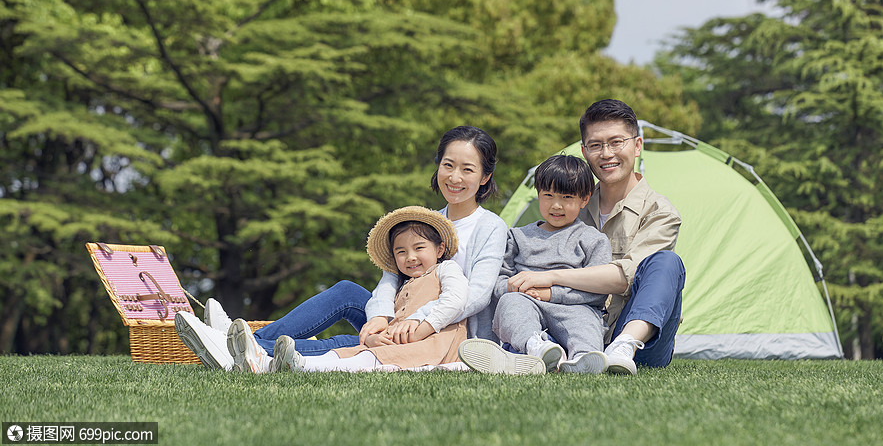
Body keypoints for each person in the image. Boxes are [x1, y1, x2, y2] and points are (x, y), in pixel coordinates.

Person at [174, 126, 507, 371]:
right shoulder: (425, 222)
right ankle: (243, 338)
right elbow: (390, 281)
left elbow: (476, 296)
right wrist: (378, 318)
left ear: (484, 177)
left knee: (351, 346)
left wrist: (418, 322)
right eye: (448, 165)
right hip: (399, 315)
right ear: (438, 166)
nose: (455, 177)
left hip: (444, 330)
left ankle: (241, 345)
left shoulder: (490, 227)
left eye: (468, 169)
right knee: (348, 292)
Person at [502, 99, 686, 375]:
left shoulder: (660, 212)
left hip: (636, 337)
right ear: (584, 151)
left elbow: (624, 277)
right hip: (569, 325)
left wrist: (551, 277)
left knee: (668, 263)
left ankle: (622, 346)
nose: (606, 153)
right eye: (596, 145)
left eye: (616, 142)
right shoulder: (568, 203)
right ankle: (542, 349)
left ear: (637, 146)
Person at [257, 206, 468, 373]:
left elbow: (456, 298)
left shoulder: (445, 269)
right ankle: (256, 342)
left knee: (344, 344)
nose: (410, 257)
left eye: (419, 248)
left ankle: (259, 350)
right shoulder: (402, 280)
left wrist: (419, 324)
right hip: (393, 337)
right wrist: (374, 331)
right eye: (401, 251)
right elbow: (381, 295)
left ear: (440, 249)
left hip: (424, 339)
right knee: (347, 313)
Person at [457, 155, 612, 375]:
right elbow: (499, 280)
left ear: (584, 199)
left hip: (574, 307)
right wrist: (515, 288)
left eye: (567, 197)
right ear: (538, 194)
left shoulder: (592, 239)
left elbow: (598, 292)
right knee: (511, 304)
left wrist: (550, 294)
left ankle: (583, 358)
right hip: (526, 302)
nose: (556, 205)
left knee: (585, 321)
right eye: (548, 195)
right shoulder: (518, 236)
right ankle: (536, 347)